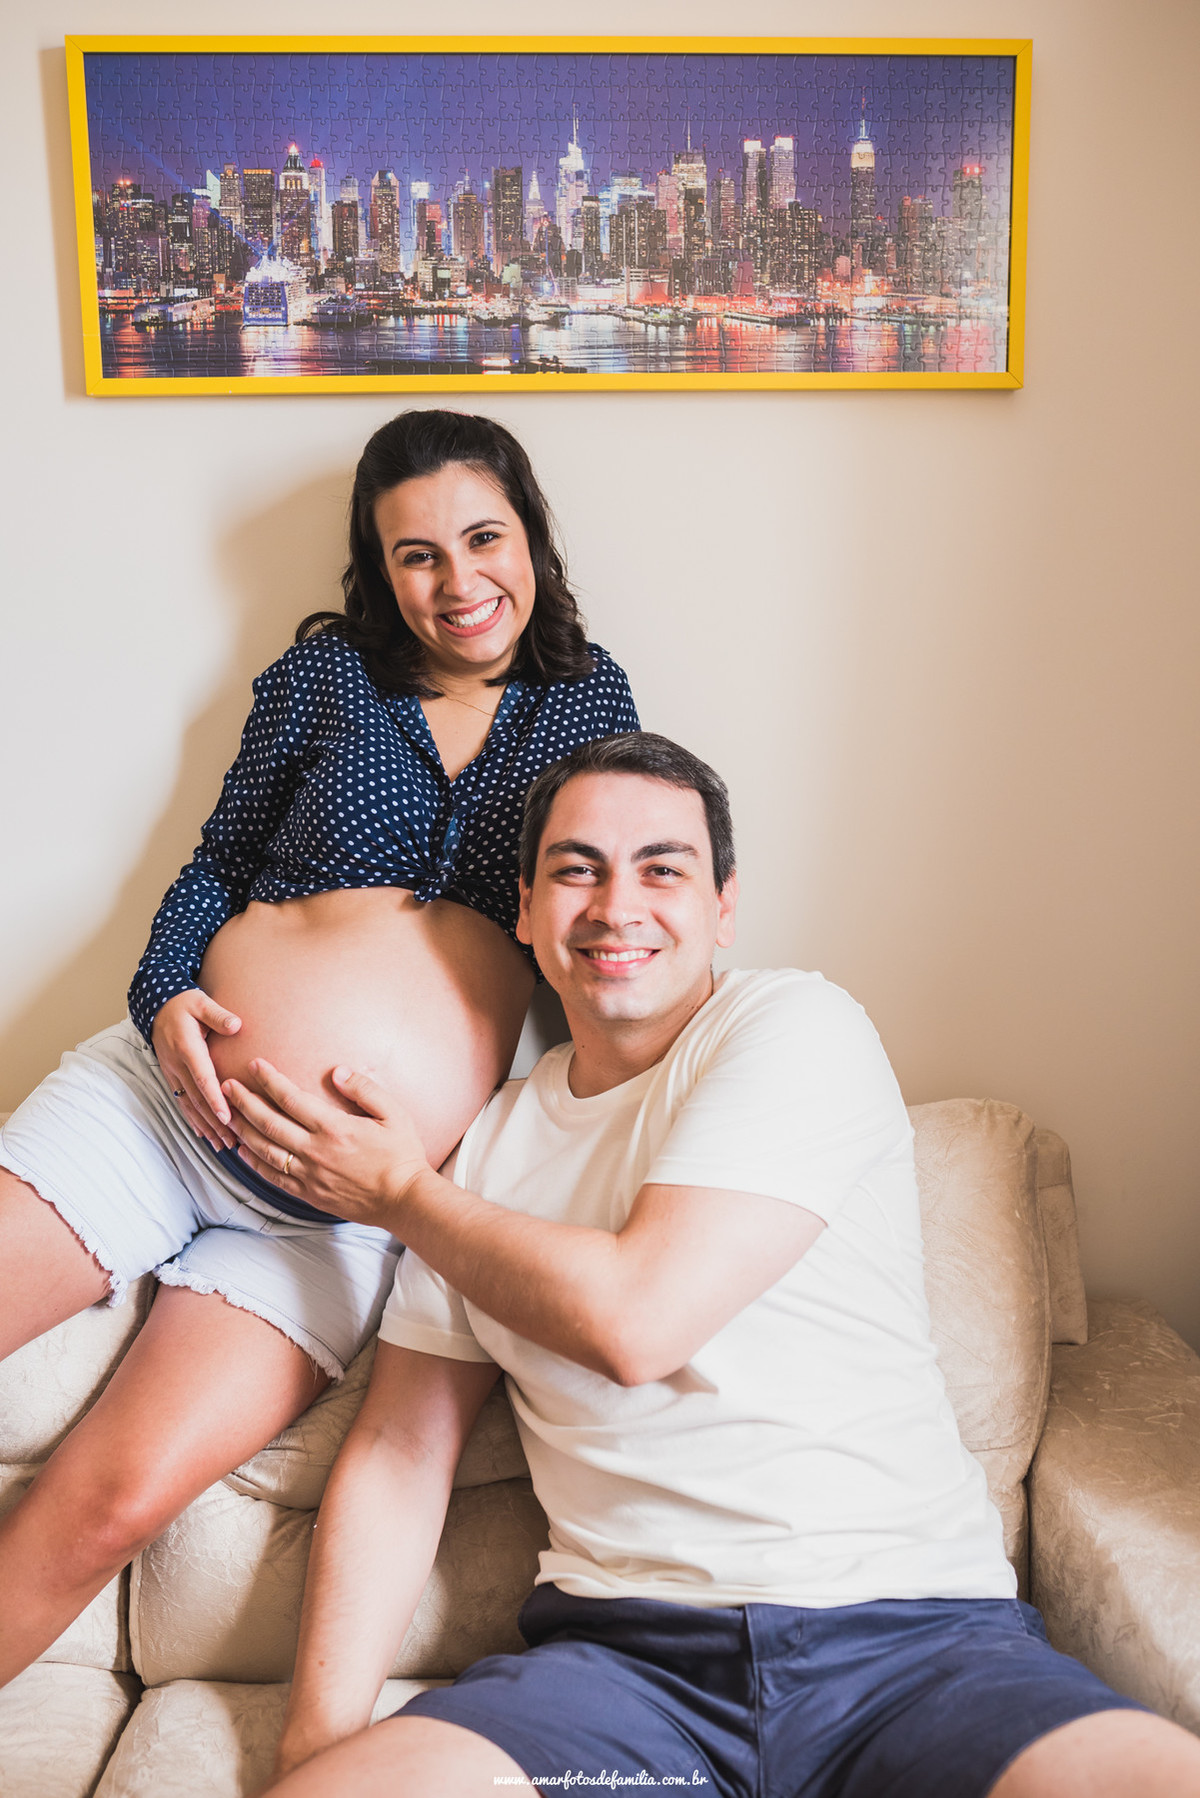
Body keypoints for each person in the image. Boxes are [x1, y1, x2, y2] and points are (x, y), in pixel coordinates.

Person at [222, 733, 1200, 1798]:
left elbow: (638, 1321)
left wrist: (401, 1196)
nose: (616, 906)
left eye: (663, 868)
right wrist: (314, 1739)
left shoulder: (795, 1026)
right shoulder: (485, 1146)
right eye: (577, 869)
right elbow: (402, 1449)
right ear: (526, 909)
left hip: (915, 1652)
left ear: (723, 907)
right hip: (624, 1680)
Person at [0, 411, 638, 1689]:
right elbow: (219, 861)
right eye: (417, 555)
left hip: (338, 1222)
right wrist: (162, 995)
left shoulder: (592, 701)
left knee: (110, 1503)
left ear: (531, 536)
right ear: (378, 567)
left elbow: (609, 915)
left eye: (483, 539)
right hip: (163, 1111)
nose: (457, 582)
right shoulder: (325, 675)